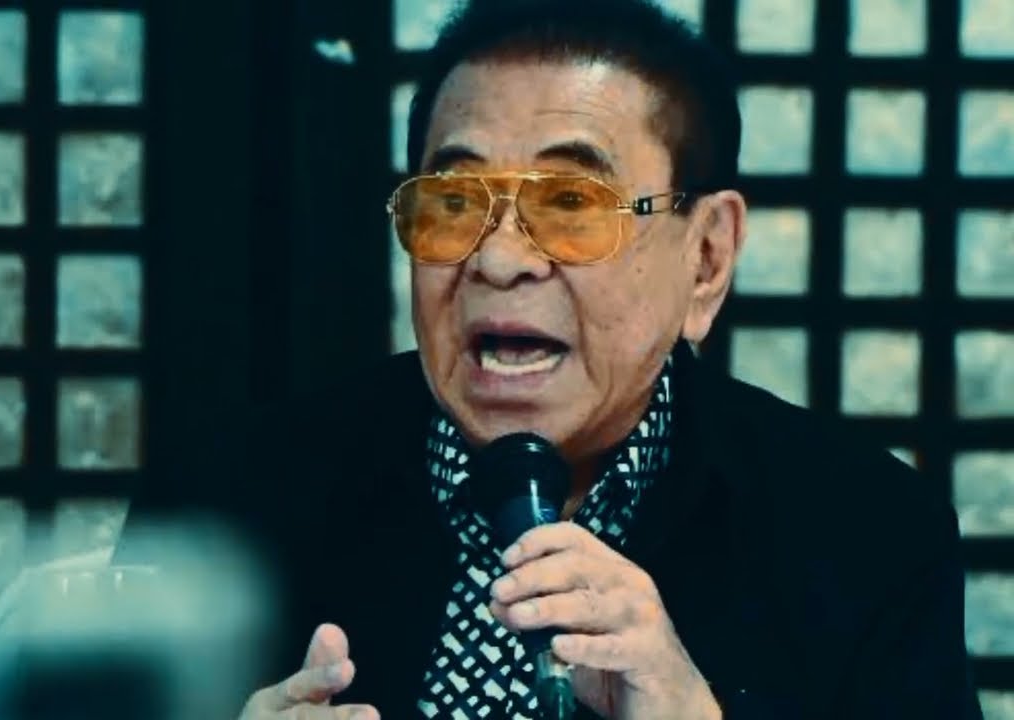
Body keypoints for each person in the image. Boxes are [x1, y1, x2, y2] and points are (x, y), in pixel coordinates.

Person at [114, 0, 982, 717]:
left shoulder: (866, 537)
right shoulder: (217, 513)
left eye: (571, 202)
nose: (498, 259)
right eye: (454, 200)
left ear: (707, 258)